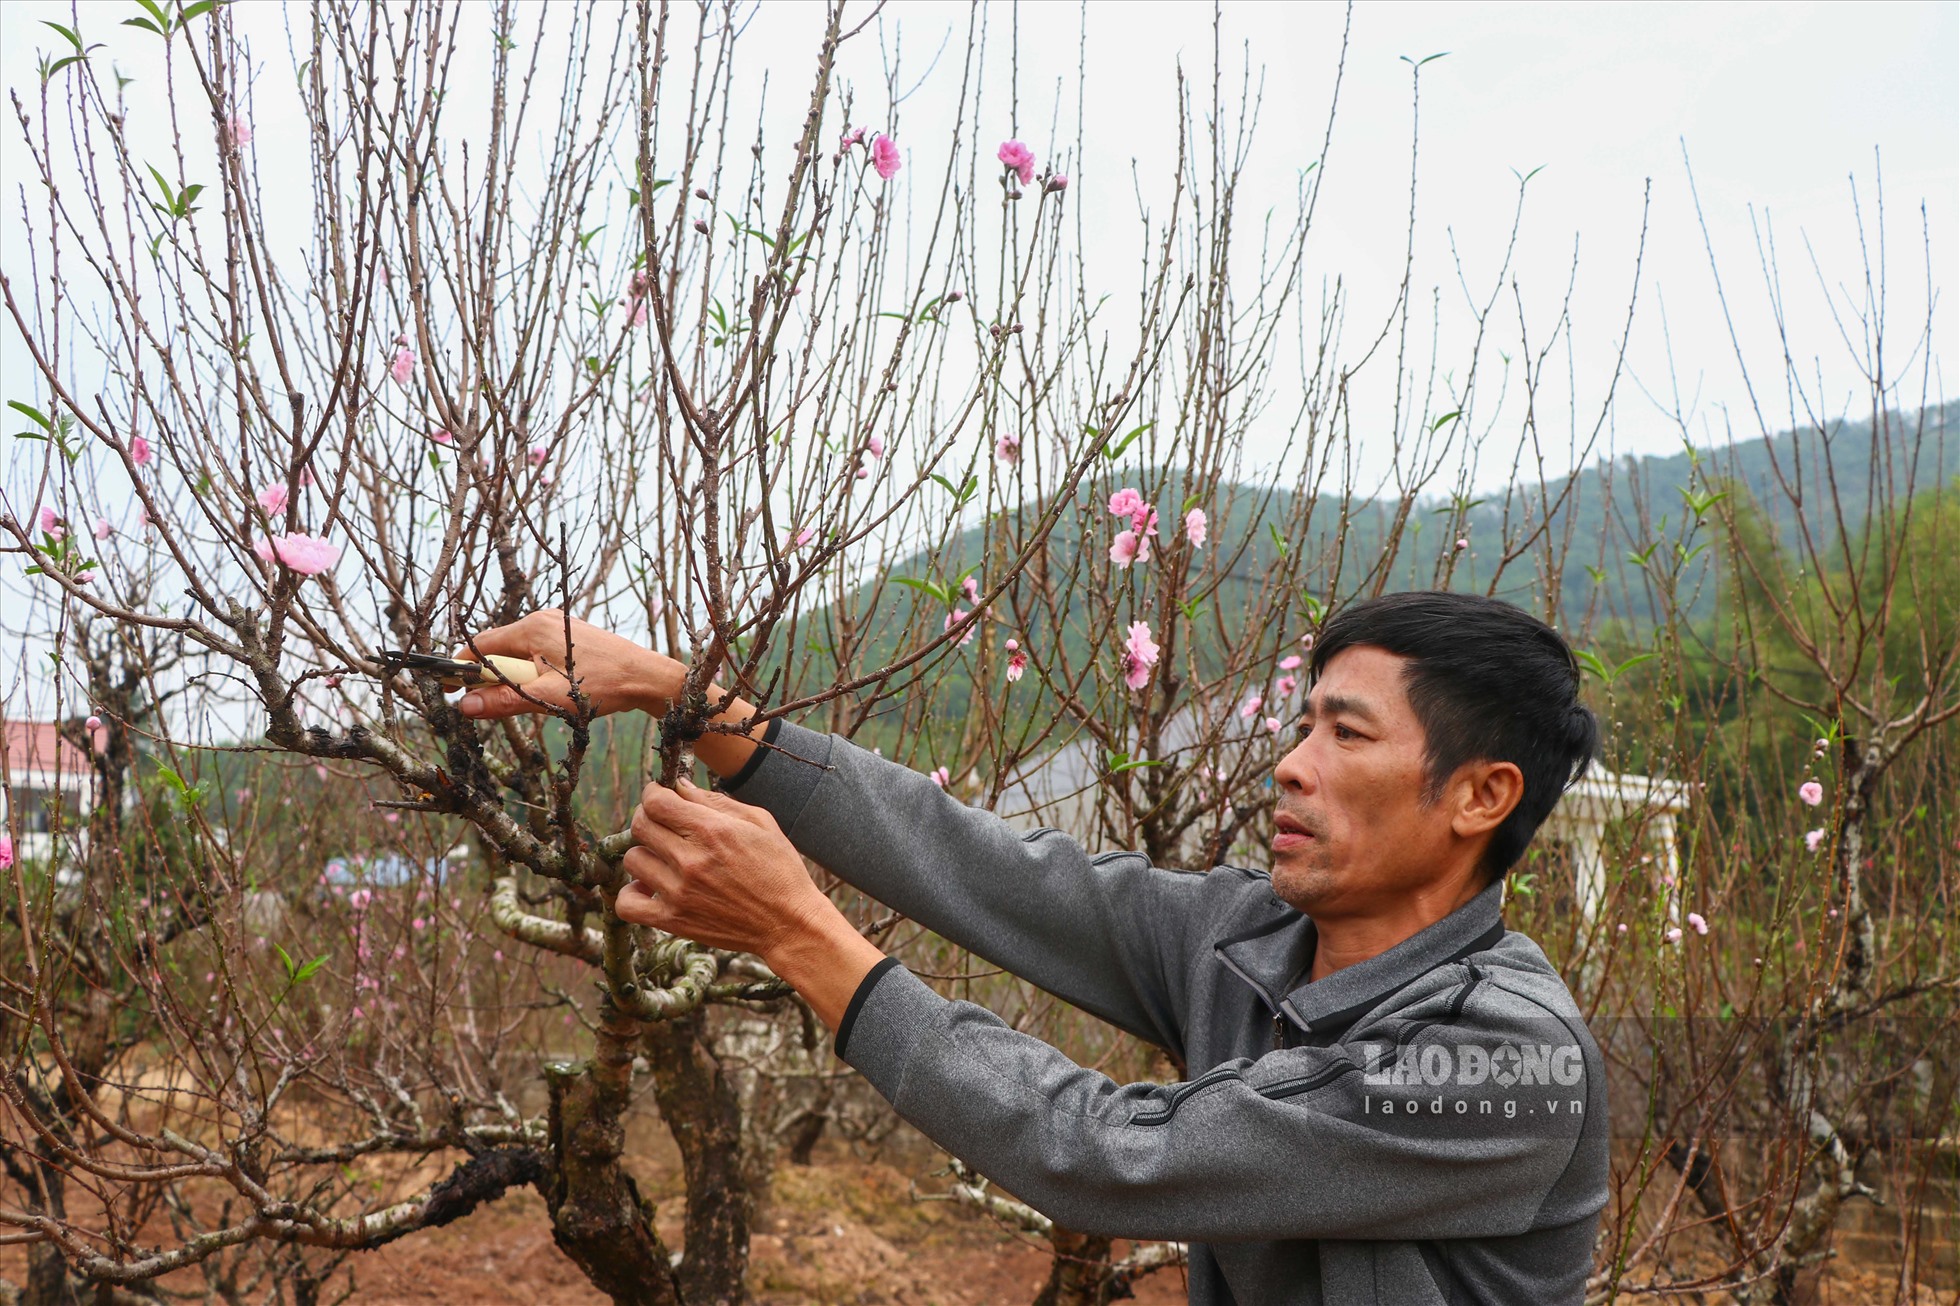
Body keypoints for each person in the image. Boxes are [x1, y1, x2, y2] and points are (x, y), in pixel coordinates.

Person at [458, 590, 1609, 1305]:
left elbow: (1107, 1154)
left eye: (1344, 733)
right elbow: (978, 865)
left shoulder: (1507, 1061)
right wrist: (678, 694)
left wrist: (799, 933)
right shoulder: (1253, 935)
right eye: (1300, 723)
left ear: (1479, 796)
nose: (1290, 764)